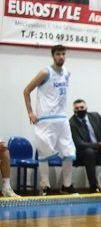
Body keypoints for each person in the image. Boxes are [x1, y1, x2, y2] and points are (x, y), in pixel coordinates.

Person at [23, 45, 77, 195]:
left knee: (69, 152)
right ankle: (45, 185)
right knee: (45, 153)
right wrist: (30, 112)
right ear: (53, 55)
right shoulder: (45, 72)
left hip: (62, 119)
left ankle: (66, 185)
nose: (61, 57)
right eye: (58, 54)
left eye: (63, 54)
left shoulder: (67, 72)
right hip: (46, 119)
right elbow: (26, 90)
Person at [69, 99, 101, 193]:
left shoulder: (95, 116)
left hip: (100, 150)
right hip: (83, 154)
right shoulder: (72, 123)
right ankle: (94, 186)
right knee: (89, 152)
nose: (80, 110)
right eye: (77, 108)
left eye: (82, 107)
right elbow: (79, 143)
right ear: (74, 110)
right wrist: (98, 145)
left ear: (86, 107)